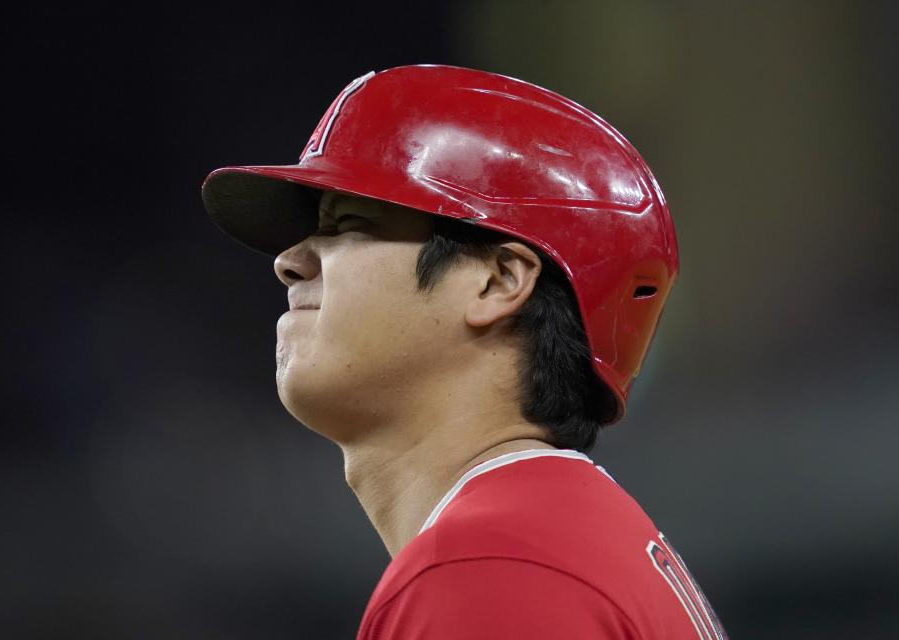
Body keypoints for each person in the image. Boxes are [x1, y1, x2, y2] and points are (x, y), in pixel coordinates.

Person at [202, 64, 727, 639]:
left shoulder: (490, 566)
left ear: (498, 281)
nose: (290, 260)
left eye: (349, 222)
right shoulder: (555, 541)